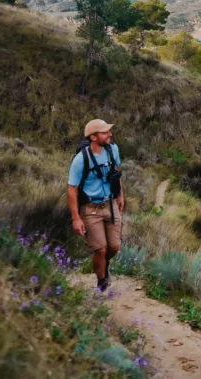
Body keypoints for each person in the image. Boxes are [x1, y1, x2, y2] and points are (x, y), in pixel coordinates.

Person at [67, 119, 125, 291]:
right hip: (90, 209)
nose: (110, 134)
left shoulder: (112, 149)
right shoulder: (80, 160)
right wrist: (76, 218)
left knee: (114, 247)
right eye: (105, 132)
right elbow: (71, 190)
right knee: (100, 249)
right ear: (93, 137)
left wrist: (120, 195)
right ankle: (102, 281)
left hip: (110, 204)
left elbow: (117, 172)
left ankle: (103, 265)